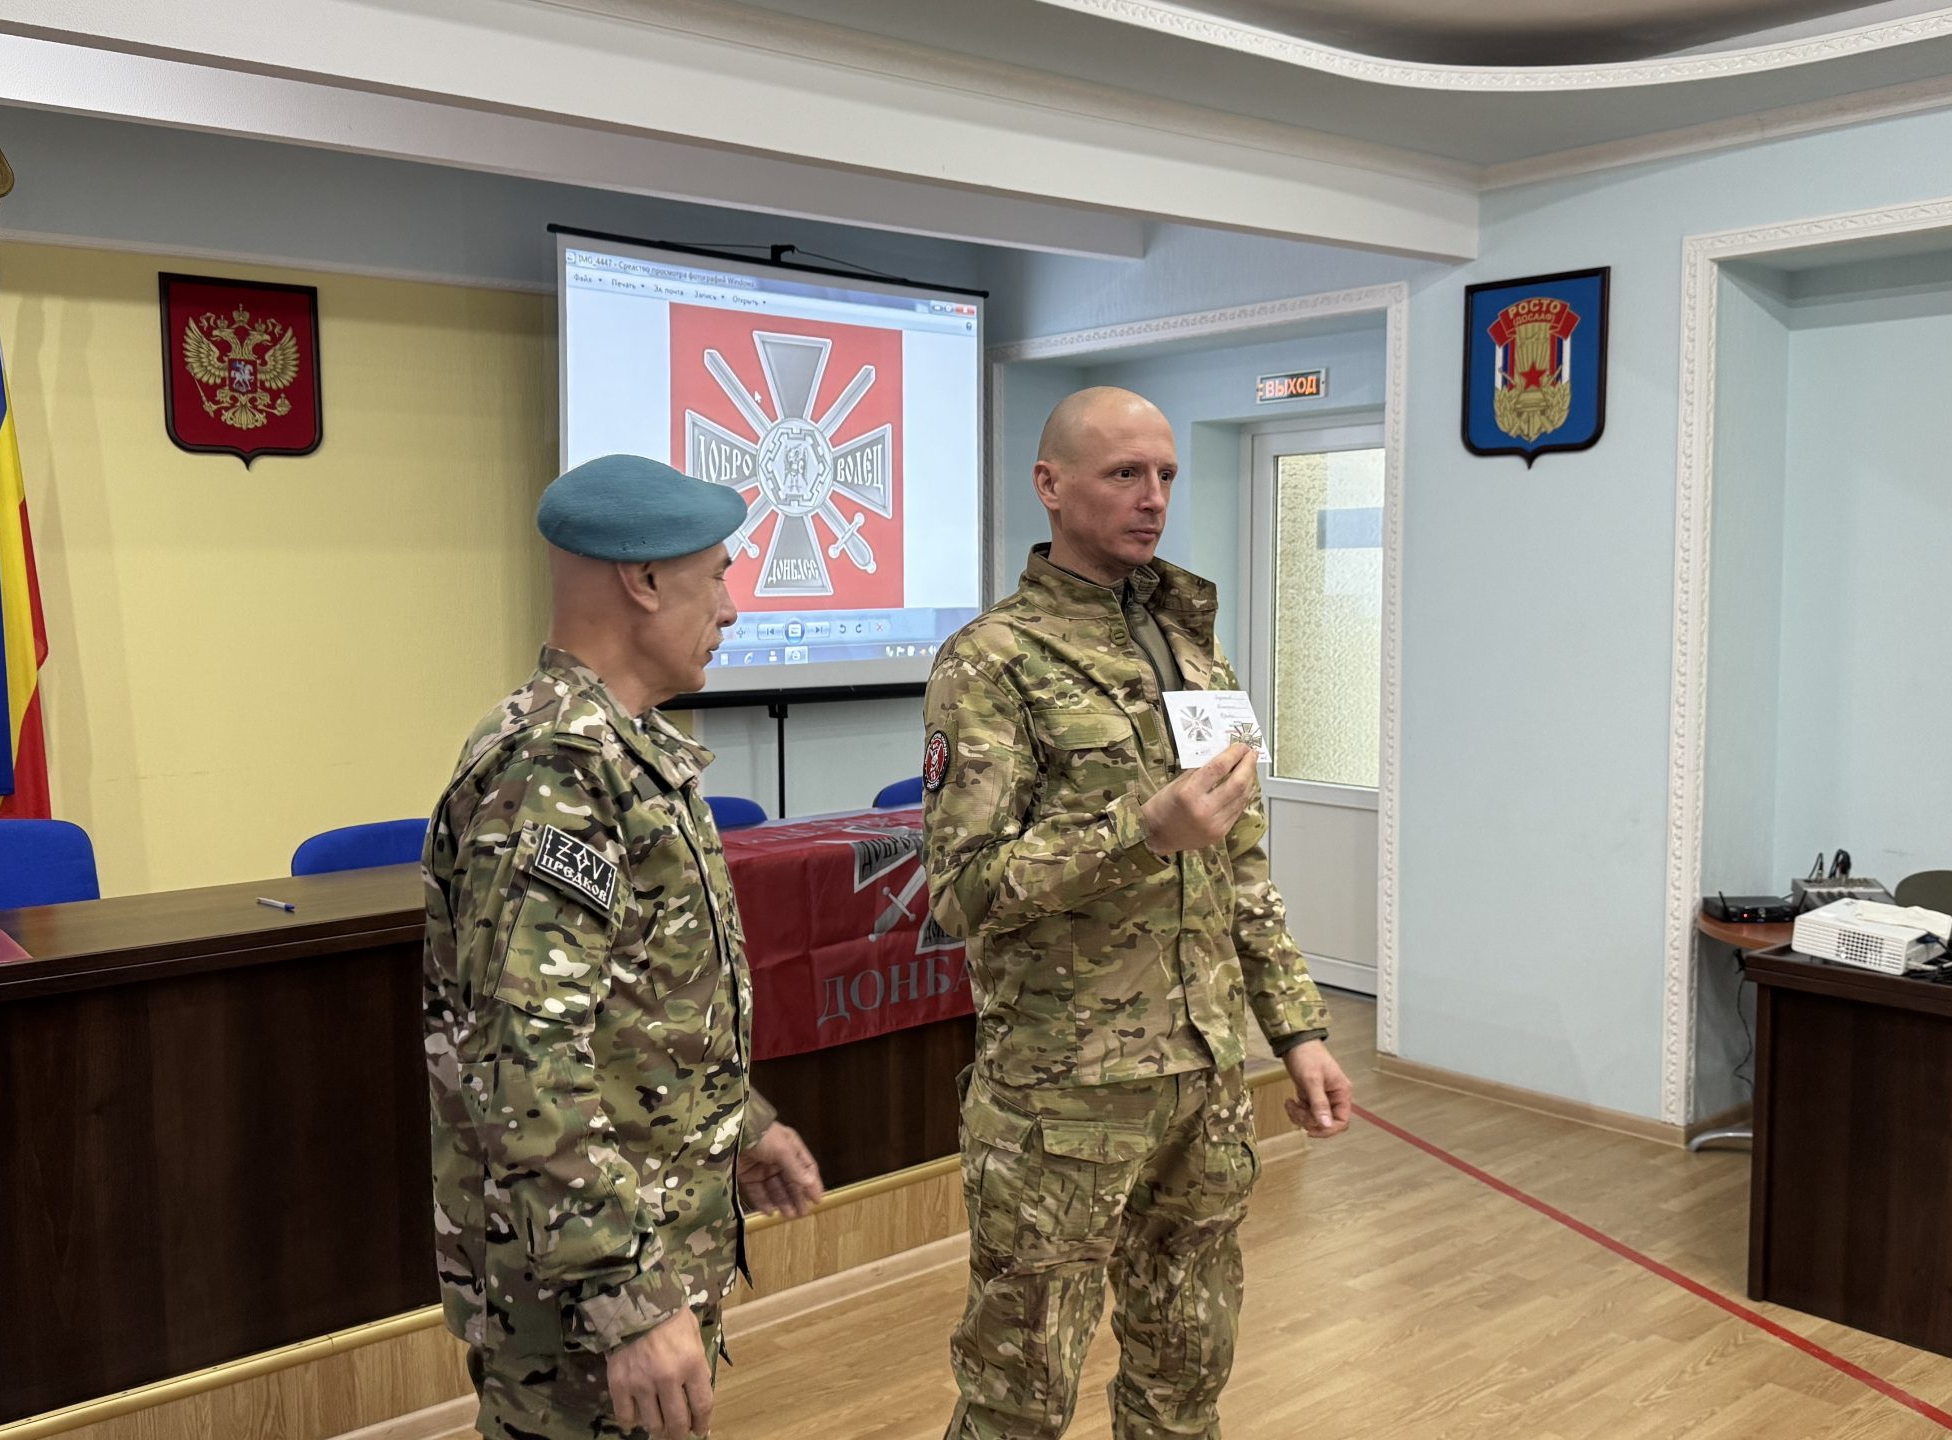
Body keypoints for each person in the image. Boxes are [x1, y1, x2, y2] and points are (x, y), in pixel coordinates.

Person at [921, 388, 1356, 1439]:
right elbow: (961, 890)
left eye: (1164, 474)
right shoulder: (992, 661)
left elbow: (1241, 867)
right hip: (1064, 1095)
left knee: (1186, 1373)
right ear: (1050, 485)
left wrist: (1296, 1031)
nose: (1152, 496)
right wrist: (1138, 831)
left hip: (1202, 1078)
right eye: (1124, 473)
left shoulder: (1195, 652)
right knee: (1019, 1393)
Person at [422, 453, 825, 1440]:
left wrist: (739, 1126)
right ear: (643, 581)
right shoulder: (554, 768)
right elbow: (522, 1058)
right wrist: (627, 1297)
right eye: (716, 578)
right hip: (580, 1297)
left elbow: (641, 1009)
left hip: (633, 1245)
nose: (731, 608)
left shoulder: (622, 750)